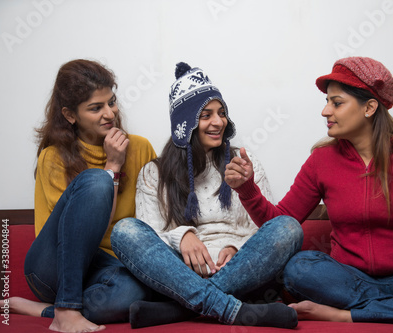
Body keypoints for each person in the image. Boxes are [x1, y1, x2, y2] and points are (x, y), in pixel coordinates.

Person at [225, 56, 393, 325]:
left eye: (337, 103)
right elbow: (281, 224)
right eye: (326, 101)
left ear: (370, 107)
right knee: (299, 268)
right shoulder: (321, 160)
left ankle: (347, 315)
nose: (325, 111)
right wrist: (247, 189)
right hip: (347, 280)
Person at [111, 62, 303, 329]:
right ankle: (227, 307)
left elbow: (265, 228)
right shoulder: (154, 173)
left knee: (288, 227)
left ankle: (180, 309)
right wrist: (182, 237)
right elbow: (150, 237)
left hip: (239, 271)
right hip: (180, 272)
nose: (218, 122)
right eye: (206, 115)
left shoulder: (243, 163)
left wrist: (236, 249)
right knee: (125, 231)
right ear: (184, 123)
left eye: (222, 113)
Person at [0, 59, 157, 333]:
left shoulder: (140, 148)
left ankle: (46, 310)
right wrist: (113, 168)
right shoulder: (53, 158)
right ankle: (66, 310)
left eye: (111, 102)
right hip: (54, 265)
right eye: (96, 108)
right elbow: (82, 235)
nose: (110, 114)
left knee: (132, 293)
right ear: (70, 115)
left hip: (106, 268)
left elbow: (154, 221)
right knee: (96, 180)